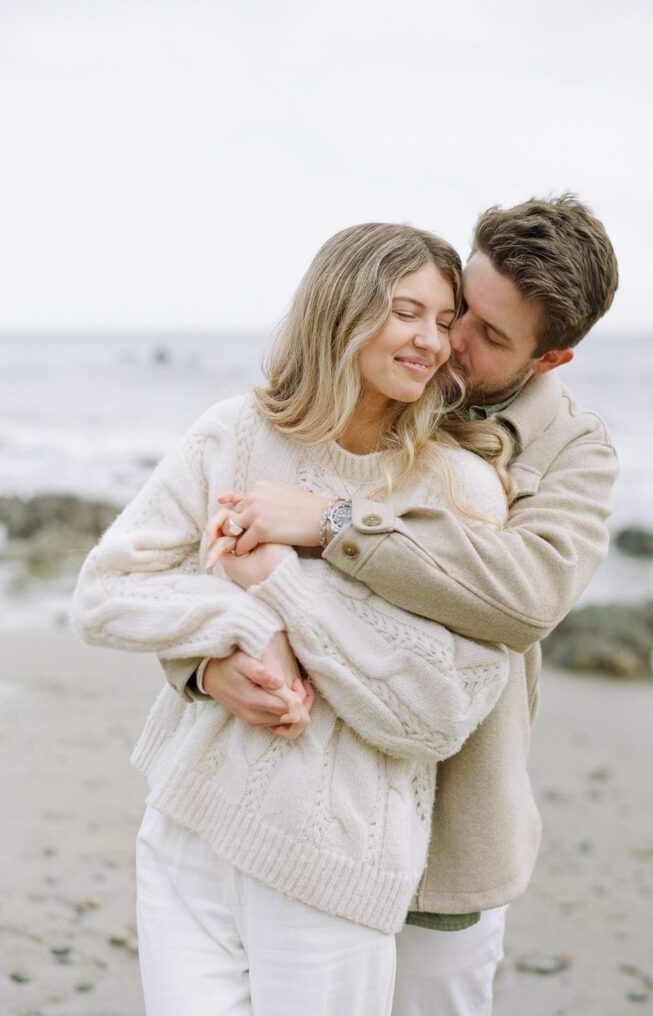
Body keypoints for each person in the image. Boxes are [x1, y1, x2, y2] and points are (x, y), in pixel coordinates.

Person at [162, 194, 620, 1015]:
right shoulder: (369, 375)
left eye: (491, 336)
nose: (450, 343)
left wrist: (340, 524)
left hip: (447, 838)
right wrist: (197, 665)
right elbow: (207, 534)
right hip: (299, 809)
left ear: (550, 362)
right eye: (459, 309)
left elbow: (527, 596)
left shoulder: (574, 448)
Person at [72, 222, 519, 1016]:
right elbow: (107, 591)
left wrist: (282, 579)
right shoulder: (234, 433)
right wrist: (232, 640)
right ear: (341, 310)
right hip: (187, 832)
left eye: (445, 320)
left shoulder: (459, 492)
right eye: (405, 311)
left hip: (333, 868)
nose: (430, 340)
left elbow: (434, 715)